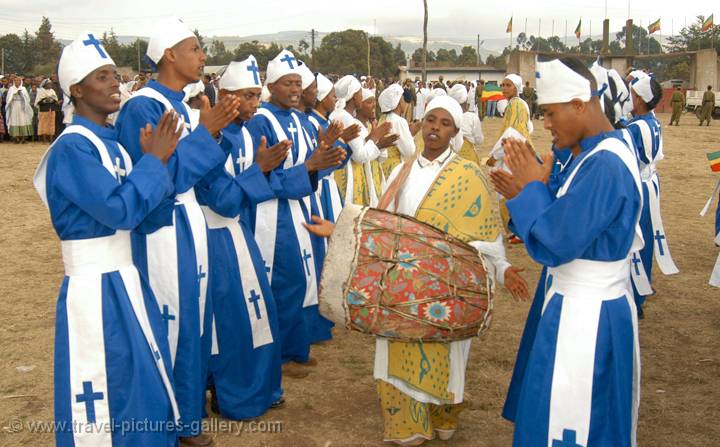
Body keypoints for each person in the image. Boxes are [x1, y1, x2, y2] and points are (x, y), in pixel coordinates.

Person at [33, 31, 182, 446]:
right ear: (76, 90)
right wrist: (153, 162)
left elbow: (145, 218)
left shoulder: (114, 142)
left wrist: (157, 165)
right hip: (95, 287)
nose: (116, 83)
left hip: (125, 276)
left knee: (142, 375)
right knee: (106, 379)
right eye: (102, 77)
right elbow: (118, 211)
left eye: (115, 74)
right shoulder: (72, 149)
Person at [491, 57, 643, 446]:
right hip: (577, 303)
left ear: (580, 104)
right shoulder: (592, 154)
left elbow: (556, 242)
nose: (546, 125)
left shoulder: (605, 165)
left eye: (550, 113)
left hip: (587, 314)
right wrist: (527, 195)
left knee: (568, 419)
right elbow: (568, 221)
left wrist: (530, 192)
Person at [115, 17, 241, 446]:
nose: (203, 56)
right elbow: (158, 178)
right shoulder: (142, 107)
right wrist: (206, 133)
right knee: (171, 320)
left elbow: (203, 171)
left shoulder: (185, 105)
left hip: (191, 223)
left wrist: (214, 133)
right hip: (162, 228)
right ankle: (165, 419)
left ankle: (188, 416)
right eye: (195, 48)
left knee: (194, 319)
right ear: (170, 54)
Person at [196, 56, 290, 419]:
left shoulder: (248, 134)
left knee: (255, 312)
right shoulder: (211, 138)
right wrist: (259, 170)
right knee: (227, 320)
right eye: (247, 96)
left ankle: (257, 386)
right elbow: (221, 200)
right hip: (215, 236)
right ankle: (226, 389)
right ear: (225, 95)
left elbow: (258, 187)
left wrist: (303, 169)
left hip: (238, 235)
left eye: (256, 96)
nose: (254, 104)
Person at [245, 49, 345, 377]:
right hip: (274, 215)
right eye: (288, 83)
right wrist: (310, 166)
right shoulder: (261, 120)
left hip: (302, 206)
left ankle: (297, 345)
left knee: (305, 279)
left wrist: (322, 156)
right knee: (283, 281)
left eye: (299, 84)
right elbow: (261, 176)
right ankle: (280, 354)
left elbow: (311, 164)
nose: (295, 90)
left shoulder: (300, 119)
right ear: (271, 85)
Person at [626, 74, 678, 317]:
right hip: (651, 184)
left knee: (635, 241)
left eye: (632, 94)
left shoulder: (634, 127)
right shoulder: (653, 121)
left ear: (639, 99)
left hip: (639, 186)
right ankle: (642, 290)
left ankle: (634, 298)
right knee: (646, 236)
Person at [330, 75, 394, 206]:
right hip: (347, 173)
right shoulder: (345, 117)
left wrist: (376, 140)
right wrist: (377, 137)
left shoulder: (341, 115)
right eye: (360, 93)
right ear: (354, 96)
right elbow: (359, 155)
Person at [378, 83, 419, 178]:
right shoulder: (399, 121)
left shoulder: (383, 118)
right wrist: (411, 133)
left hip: (383, 166)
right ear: (399, 100)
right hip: (394, 168)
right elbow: (409, 151)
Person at [448, 83, 484, 165]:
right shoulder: (472, 117)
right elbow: (479, 140)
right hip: (469, 158)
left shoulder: (447, 118)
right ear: (466, 98)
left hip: (452, 160)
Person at [5, 76, 34, 143]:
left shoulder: (23, 88)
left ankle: (23, 138)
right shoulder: (11, 89)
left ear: (21, 82)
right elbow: (8, 99)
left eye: (18, 81)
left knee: (23, 120)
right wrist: (13, 95)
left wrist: (21, 94)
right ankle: (16, 138)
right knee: (15, 120)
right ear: (14, 82)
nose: (17, 82)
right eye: (15, 81)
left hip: (22, 107)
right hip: (14, 106)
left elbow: (27, 98)